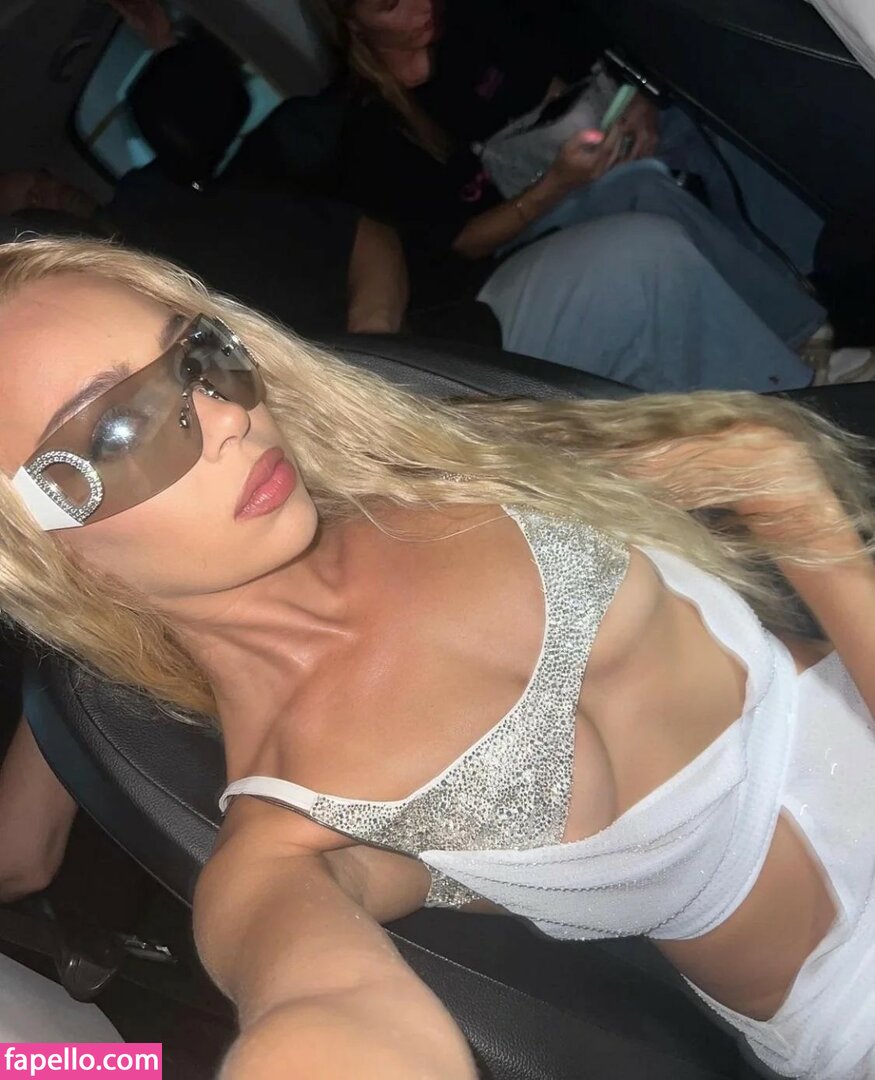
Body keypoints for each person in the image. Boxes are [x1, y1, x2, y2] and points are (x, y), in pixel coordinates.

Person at [1, 235, 874, 1078]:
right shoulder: (291, 841)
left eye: (200, 356)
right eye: (120, 429)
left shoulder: (435, 461)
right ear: (38, 542)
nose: (231, 415)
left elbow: (756, 463)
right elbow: (326, 1007)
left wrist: (788, 495)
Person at [314, 0, 875, 389]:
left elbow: (574, 63)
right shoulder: (371, 130)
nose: (421, 9)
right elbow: (460, 245)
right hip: (513, 235)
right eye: (390, 6)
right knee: (637, 187)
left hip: (571, 165)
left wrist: (632, 101)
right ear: (352, 24)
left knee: (670, 142)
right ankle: (800, 350)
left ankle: (802, 311)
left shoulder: (468, 28)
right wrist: (558, 183)